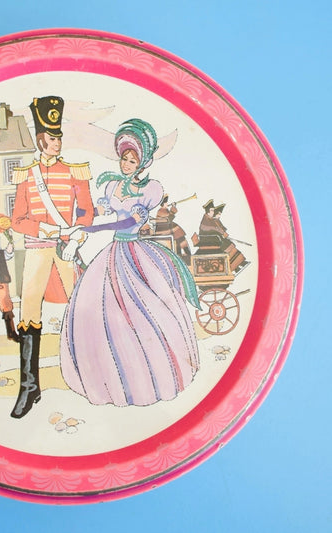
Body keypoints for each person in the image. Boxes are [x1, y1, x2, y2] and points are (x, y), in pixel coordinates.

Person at [60, 118, 200, 407]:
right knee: (99, 309)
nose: (126, 164)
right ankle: (105, 378)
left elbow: (125, 223)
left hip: (134, 252)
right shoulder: (112, 186)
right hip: (112, 252)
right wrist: (78, 216)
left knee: (142, 309)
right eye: (124, 158)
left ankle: (147, 378)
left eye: (132, 160)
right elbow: (97, 210)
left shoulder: (149, 191)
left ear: (142, 163)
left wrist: (91, 229)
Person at [9, 95, 94, 418]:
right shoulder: (26, 175)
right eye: (51, 138)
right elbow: (17, 220)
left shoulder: (75, 172)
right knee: (29, 311)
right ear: (40, 139)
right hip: (37, 247)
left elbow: (86, 212)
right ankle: (29, 387)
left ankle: (90, 377)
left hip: (65, 248)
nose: (56, 143)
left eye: (59, 137)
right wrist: (42, 228)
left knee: (80, 306)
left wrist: (79, 234)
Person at [198, 200, 248, 273]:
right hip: (208, 240)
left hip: (214, 239)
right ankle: (236, 265)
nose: (213, 212)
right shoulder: (205, 219)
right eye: (212, 210)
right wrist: (221, 232)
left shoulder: (211, 219)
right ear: (207, 211)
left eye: (213, 210)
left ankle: (238, 263)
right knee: (227, 245)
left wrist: (223, 232)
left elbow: (217, 227)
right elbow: (208, 228)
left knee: (229, 244)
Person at [153, 194, 191, 262]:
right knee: (179, 235)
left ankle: (184, 253)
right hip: (164, 231)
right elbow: (169, 218)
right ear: (163, 204)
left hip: (168, 229)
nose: (167, 204)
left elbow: (169, 218)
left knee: (179, 236)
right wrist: (173, 207)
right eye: (166, 203)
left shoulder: (165, 210)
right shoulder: (161, 210)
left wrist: (173, 207)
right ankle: (183, 253)